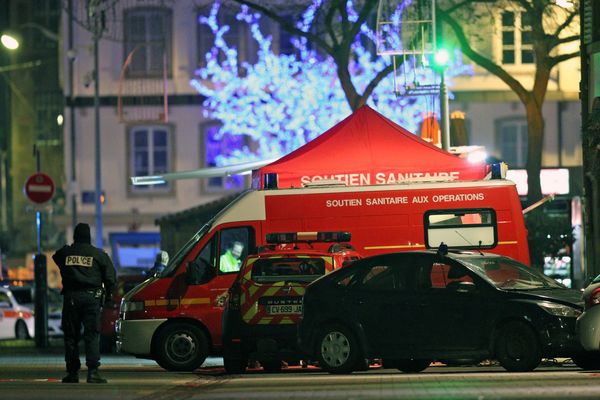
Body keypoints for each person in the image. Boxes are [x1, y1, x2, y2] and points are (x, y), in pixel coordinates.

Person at [52, 223, 116, 384]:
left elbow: (56, 256)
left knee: (71, 336)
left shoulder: (66, 253)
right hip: (92, 299)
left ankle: (73, 373)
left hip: (72, 298)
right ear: (89, 237)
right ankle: (93, 372)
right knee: (92, 335)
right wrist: (108, 297)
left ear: (75, 236)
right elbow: (110, 279)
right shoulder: (98, 255)